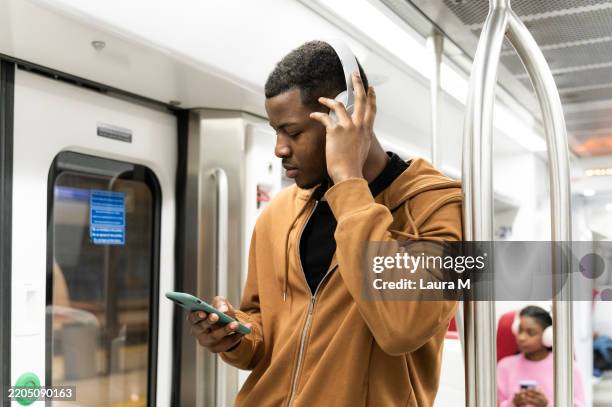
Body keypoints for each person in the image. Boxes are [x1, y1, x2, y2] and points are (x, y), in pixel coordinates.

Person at [188, 40, 463, 406]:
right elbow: (266, 330)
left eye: (294, 132)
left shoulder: (441, 207)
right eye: (275, 131)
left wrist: (349, 180)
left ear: (347, 116)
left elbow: (403, 326)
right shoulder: (279, 214)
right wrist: (236, 335)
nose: (279, 149)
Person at [497, 306, 585, 407]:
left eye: (530, 333)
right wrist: (513, 403)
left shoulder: (567, 367)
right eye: (520, 330)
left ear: (547, 336)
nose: (522, 337)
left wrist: (547, 404)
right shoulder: (504, 366)